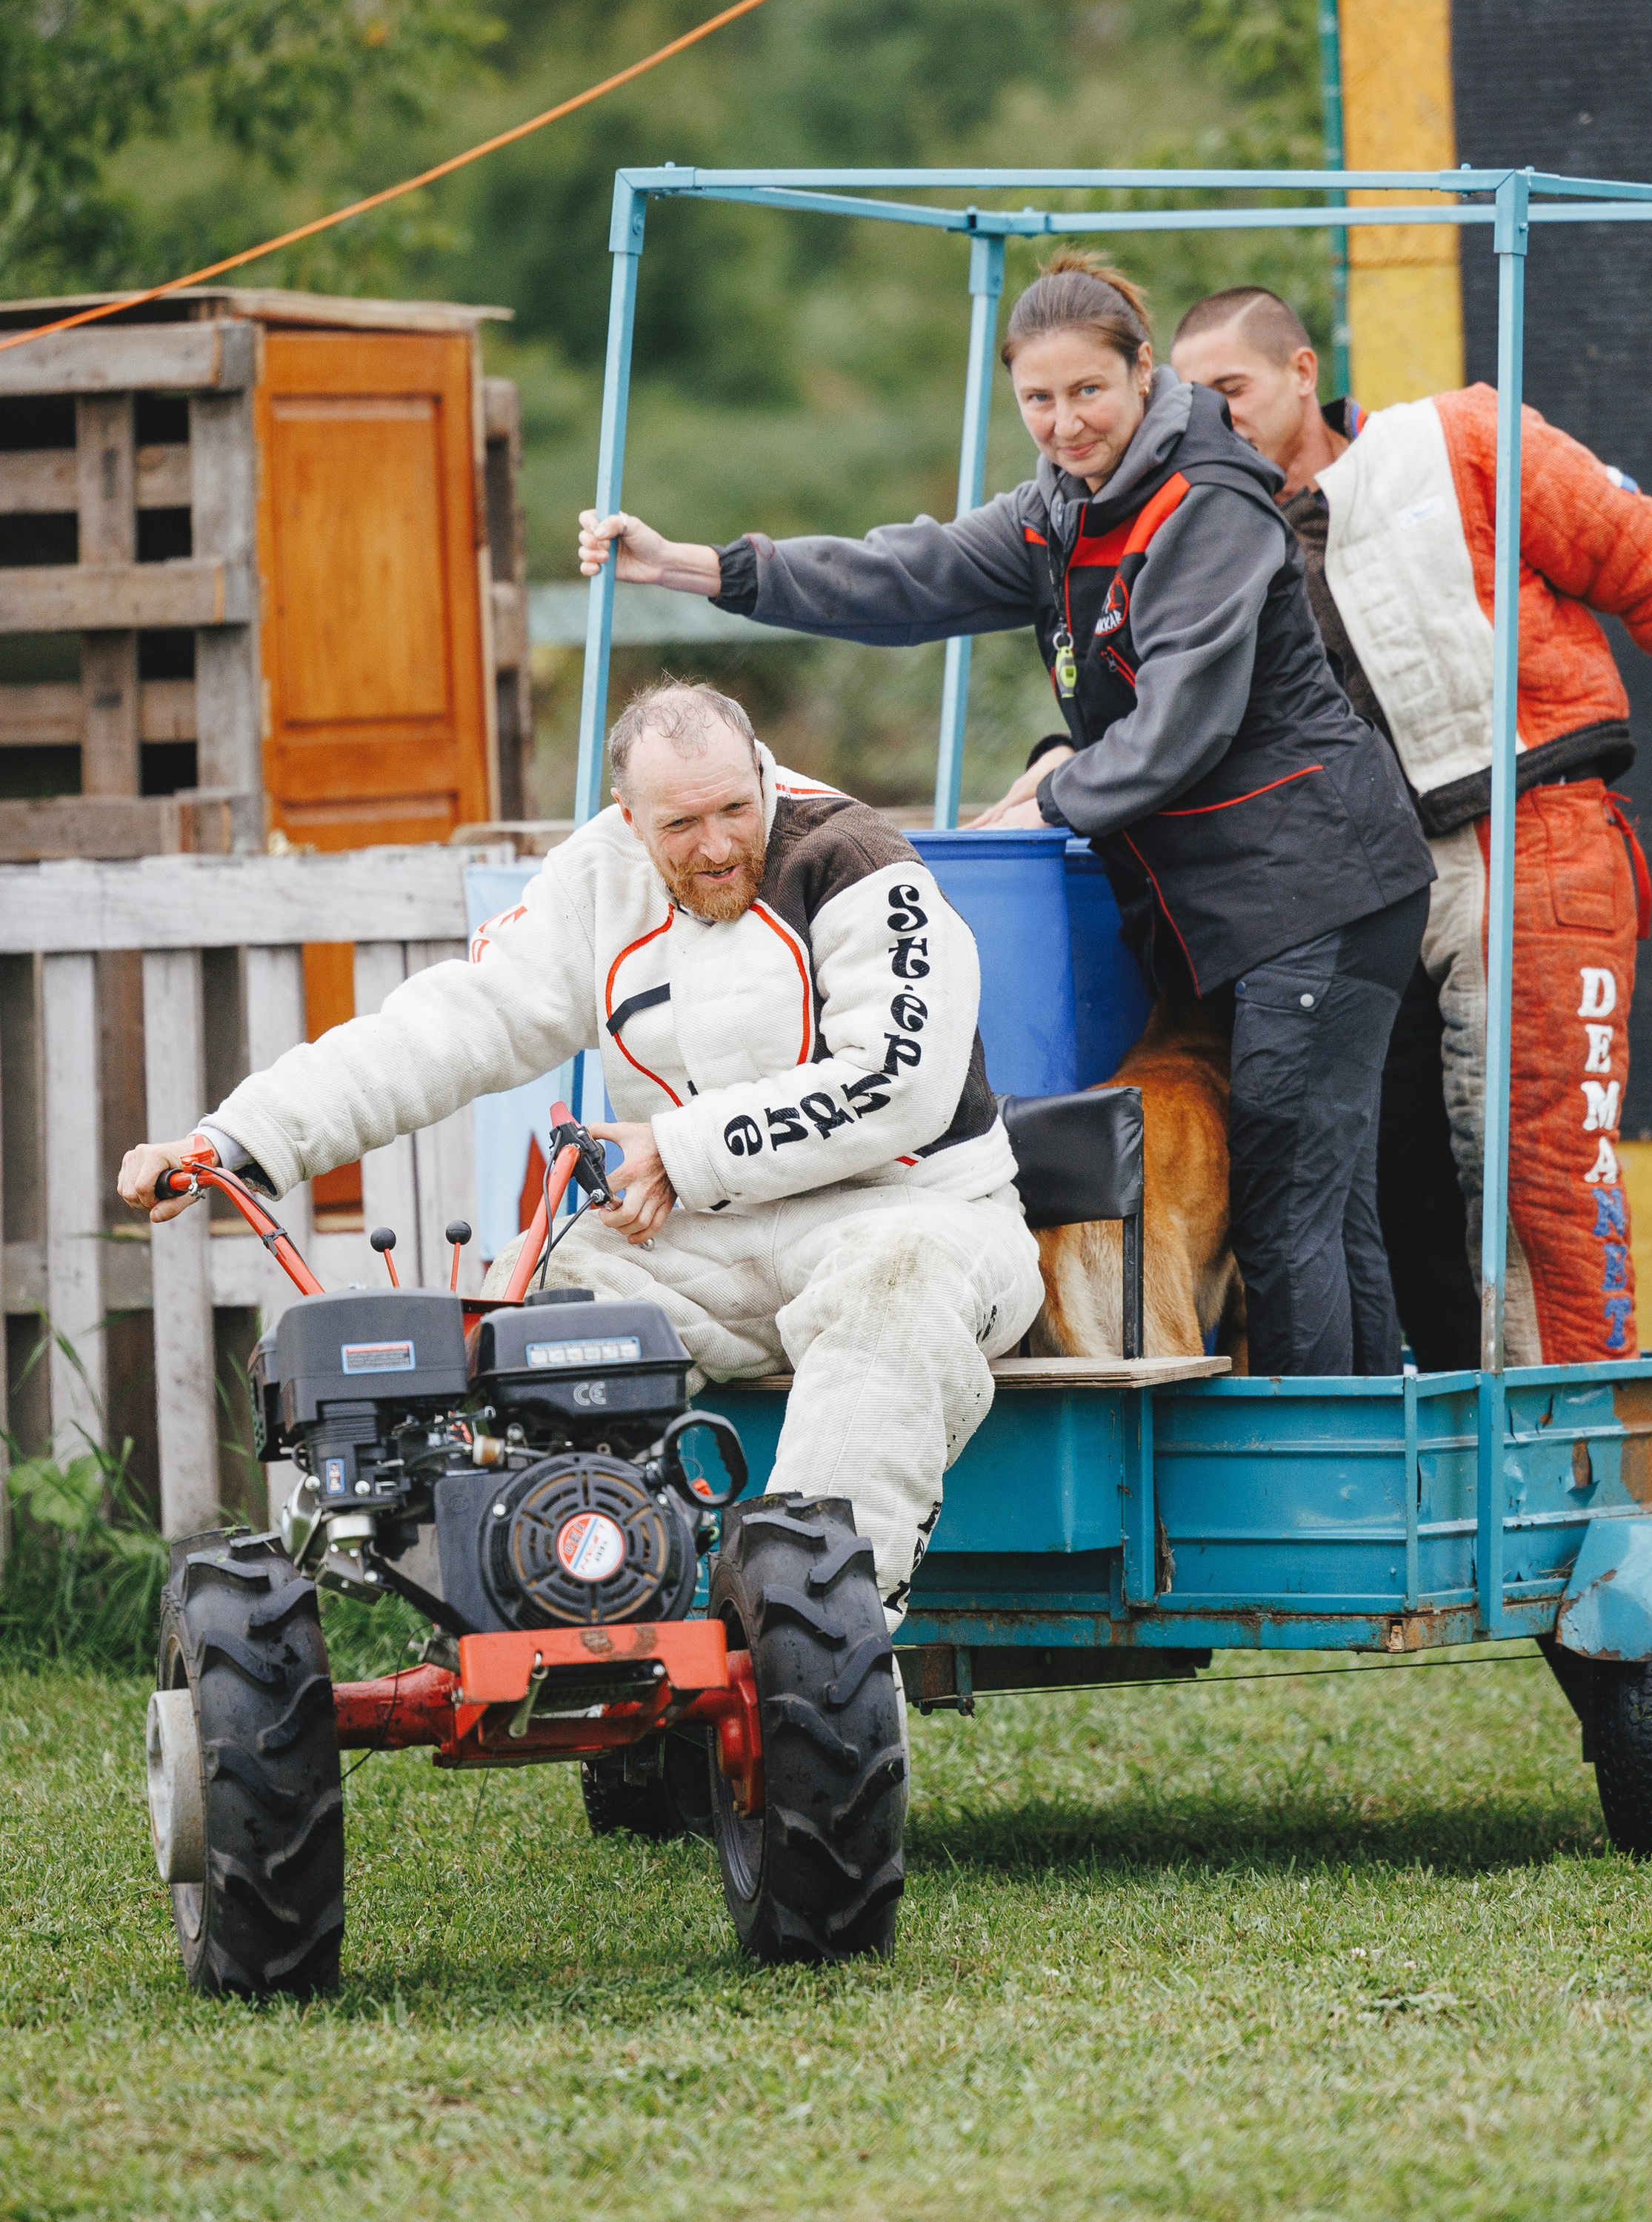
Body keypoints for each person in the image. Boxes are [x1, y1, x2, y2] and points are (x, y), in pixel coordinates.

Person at [579, 250, 1436, 1381]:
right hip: (1259, 906)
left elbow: (1182, 722)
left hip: (1324, 888)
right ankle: (1368, 1474)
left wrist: (1050, 788)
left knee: (1285, 1201)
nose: (1065, 421)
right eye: (1039, 399)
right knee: (1325, 1202)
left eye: (1089, 391)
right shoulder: (1060, 512)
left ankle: (1321, 1490)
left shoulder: (1209, 507)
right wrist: (695, 568)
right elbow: (902, 575)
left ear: (1144, 376)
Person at [118, 679, 1044, 1623]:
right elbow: (443, 1028)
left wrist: (681, 1153)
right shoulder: (593, 878)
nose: (719, 844)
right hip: (700, 1244)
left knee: (899, 1289)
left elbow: (901, 1084)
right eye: (683, 824)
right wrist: (237, 1136)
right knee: (543, 1324)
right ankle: (578, 1610)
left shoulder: (858, 858)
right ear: (629, 817)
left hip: (923, 1216)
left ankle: (807, 1640)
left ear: (761, 769)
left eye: (736, 806)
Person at [1170, 284, 1652, 1369]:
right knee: (1383, 1177)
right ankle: (1442, 1455)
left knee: (1539, 1166)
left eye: (1230, 389)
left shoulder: (1461, 438)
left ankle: (1566, 1452)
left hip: (1529, 827)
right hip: (1354, 878)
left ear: (1303, 373)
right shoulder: (1211, 534)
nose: (1213, 416)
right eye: (1189, 400)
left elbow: (1643, 552)